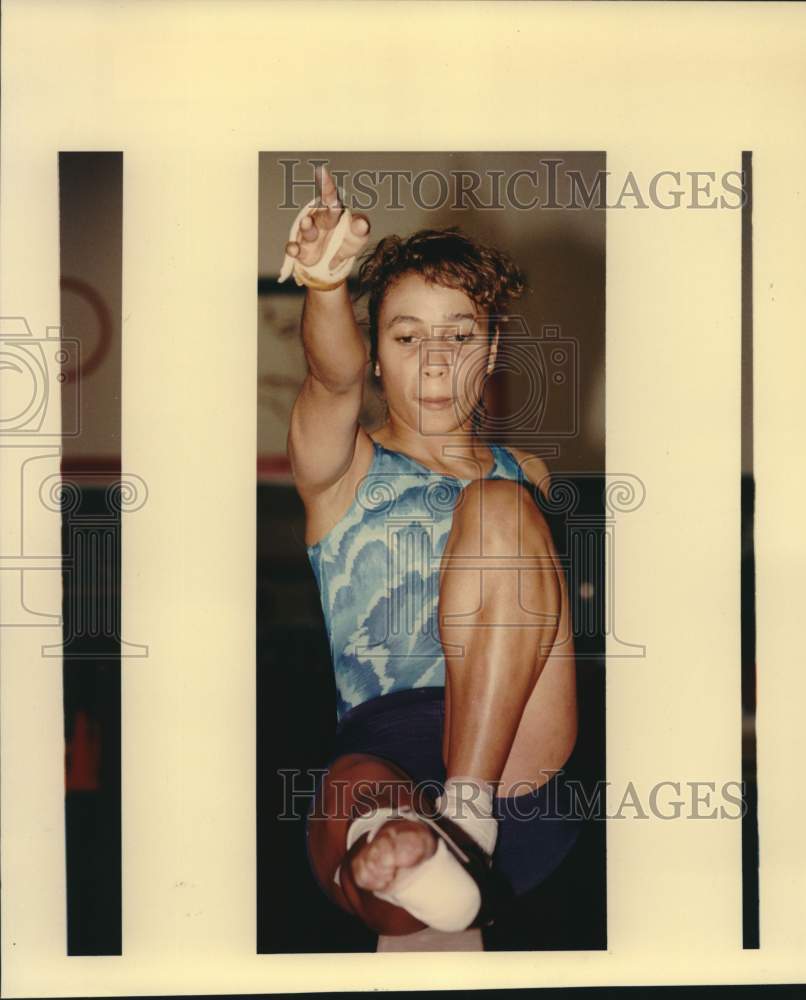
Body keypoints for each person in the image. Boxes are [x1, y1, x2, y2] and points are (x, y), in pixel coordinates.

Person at [284, 165, 581, 938]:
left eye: (460, 335)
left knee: (496, 505)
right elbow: (327, 374)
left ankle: (461, 814)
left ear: (491, 348)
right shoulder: (340, 465)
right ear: (376, 354)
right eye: (408, 336)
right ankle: (410, 862)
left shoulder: (527, 476)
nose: (437, 359)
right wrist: (324, 288)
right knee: (364, 810)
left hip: (517, 753)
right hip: (386, 749)